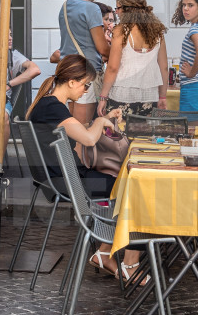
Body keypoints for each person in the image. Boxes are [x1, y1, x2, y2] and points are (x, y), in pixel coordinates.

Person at [27, 54, 142, 280]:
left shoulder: (49, 104)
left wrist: (103, 118)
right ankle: (123, 263)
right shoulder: (52, 107)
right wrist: (100, 122)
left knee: (118, 182)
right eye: (85, 84)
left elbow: (80, 133)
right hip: (68, 180)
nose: (86, 90)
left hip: (63, 177)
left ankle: (105, 251)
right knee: (132, 189)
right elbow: (88, 140)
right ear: (71, 82)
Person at [99, 0, 168, 119]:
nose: (117, 12)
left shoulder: (121, 31)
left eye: (118, 8)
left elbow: (113, 68)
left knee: (118, 136)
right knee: (143, 136)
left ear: (127, 9)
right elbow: (164, 67)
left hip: (122, 95)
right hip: (149, 95)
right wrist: (163, 96)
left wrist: (103, 97)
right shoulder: (157, 32)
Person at [57, 0, 113, 125]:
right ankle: (78, 152)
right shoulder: (92, 8)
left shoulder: (66, 5)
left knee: (72, 124)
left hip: (68, 69)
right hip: (86, 71)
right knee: (84, 127)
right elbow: (102, 48)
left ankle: (70, 152)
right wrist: (115, 52)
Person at [49, 2, 114, 65]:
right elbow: (54, 57)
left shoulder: (111, 41)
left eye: (111, 20)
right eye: (106, 19)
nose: (109, 24)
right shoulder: (86, 39)